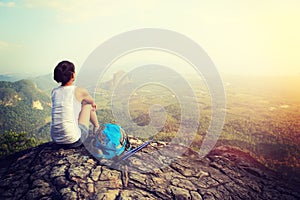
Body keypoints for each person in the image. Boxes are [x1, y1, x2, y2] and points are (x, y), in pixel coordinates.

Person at [50, 60, 100, 148]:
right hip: (74, 141)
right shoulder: (79, 91)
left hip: (56, 140)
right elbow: (92, 102)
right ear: (73, 75)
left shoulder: (54, 92)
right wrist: (92, 104)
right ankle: (97, 128)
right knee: (87, 105)